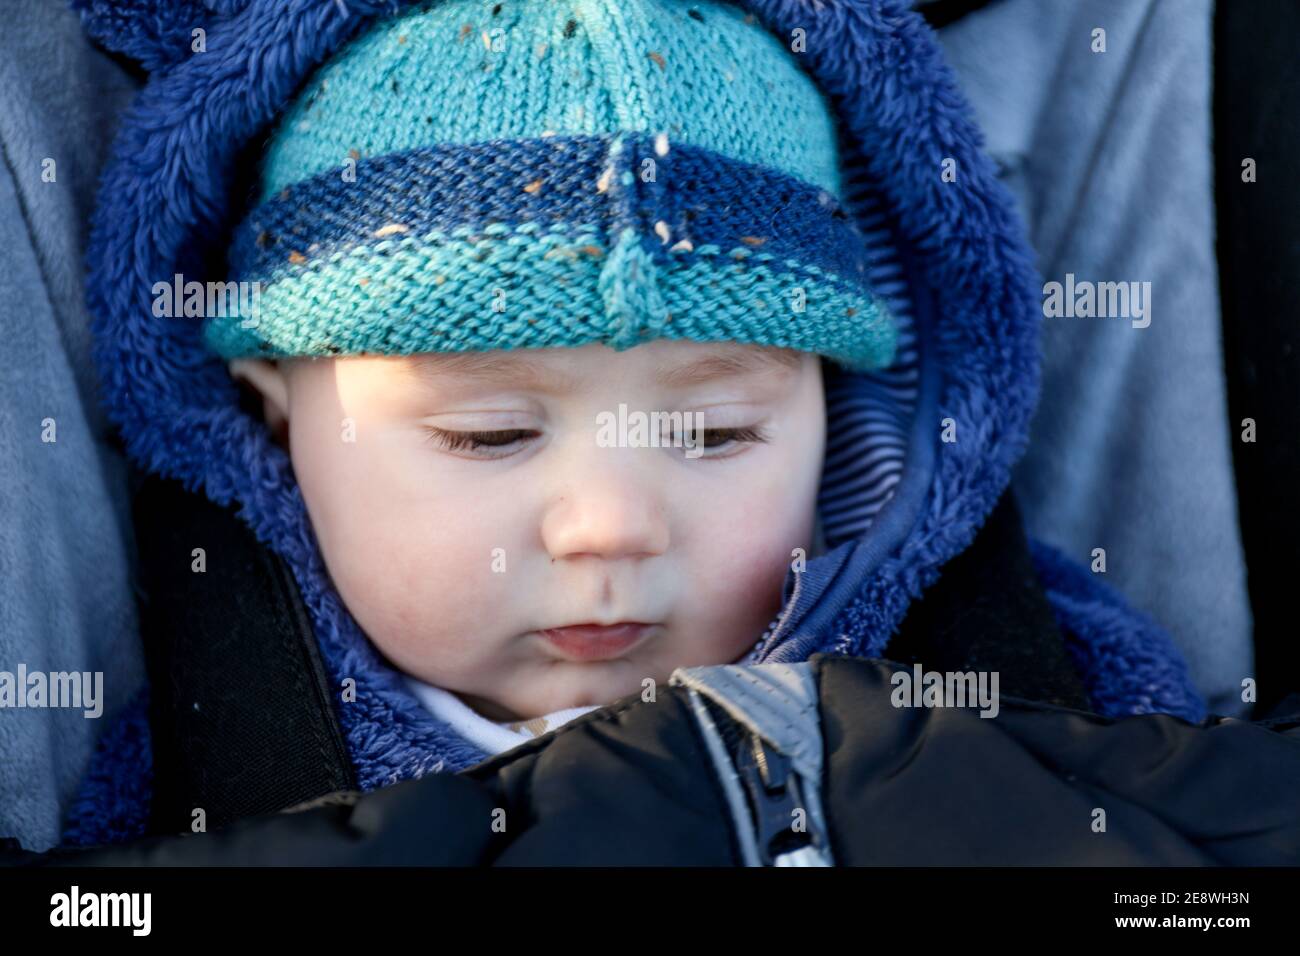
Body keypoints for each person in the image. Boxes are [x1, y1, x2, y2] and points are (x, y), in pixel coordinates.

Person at [58, 0, 1205, 850]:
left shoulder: (1029, 677)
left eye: (712, 433)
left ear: (837, 415)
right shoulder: (209, 753)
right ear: (275, 414)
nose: (608, 527)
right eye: (490, 434)